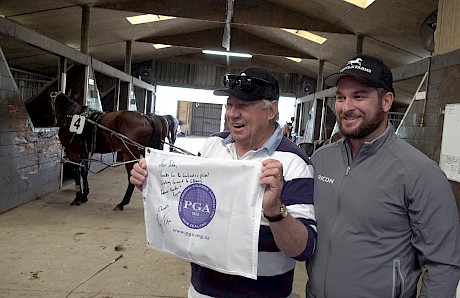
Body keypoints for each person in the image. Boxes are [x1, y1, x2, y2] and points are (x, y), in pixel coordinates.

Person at [131, 66, 316, 297]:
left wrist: (274, 210)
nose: (232, 114)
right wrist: (151, 185)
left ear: (271, 111)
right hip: (202, 292)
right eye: (230, 104)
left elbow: (302, 249)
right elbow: (188, 203)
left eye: (243, 106)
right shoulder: (212, 146)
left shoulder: (295, 163)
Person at [306, 53, 460, 297]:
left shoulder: (419, 173)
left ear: (386, 101)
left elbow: (443, 264)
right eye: (340, 97)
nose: (346, 107)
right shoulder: (321, 160)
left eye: (359, 96)